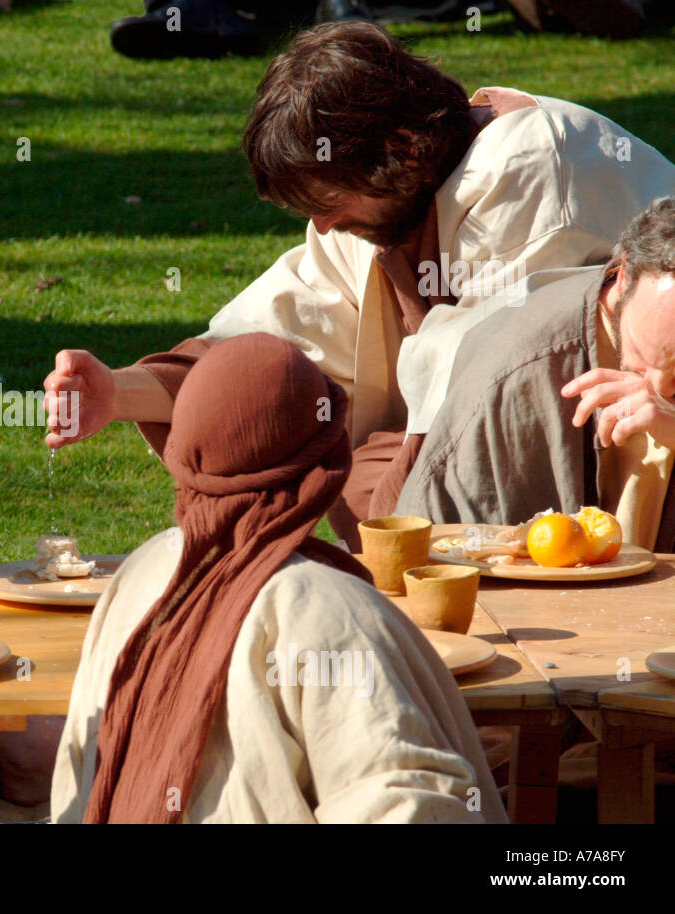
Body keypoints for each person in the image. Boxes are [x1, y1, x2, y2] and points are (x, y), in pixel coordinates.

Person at [44, 20, 675, 547]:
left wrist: (395, 530)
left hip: (634, 440)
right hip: (485, 436)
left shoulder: (537, 174)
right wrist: (118, 391)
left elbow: (498, 385)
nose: (324, 224)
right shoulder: (389, 198)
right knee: (297, 426)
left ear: (404, 146)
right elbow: (279, 336)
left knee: (381, 484)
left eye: (331, 199)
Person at [51, 333, 504, 823]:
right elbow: (408, 806)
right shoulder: (329, 612)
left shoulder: (140, 574)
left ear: (184, 458)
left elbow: (75, 787)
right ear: (326, 459)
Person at [395, 197, 675, 548]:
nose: (658, 389)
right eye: (641, 359)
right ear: (624, 277)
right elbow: (432, 554)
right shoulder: (517, 370)